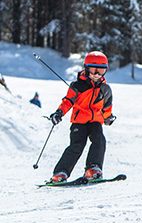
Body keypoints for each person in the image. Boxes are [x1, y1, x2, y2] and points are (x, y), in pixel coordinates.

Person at [48, 51, 116, 183]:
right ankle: (60, 172)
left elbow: (107, 107)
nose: (96, 74)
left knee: (99, 140)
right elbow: (68, 101)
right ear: (86, 68)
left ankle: (93, 169)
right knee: (77, 145)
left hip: (95, 121)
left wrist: (108, 118)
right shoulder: (78, 86)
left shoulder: (105, 89)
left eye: (100, 71)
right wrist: (59, 113)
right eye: (93, 70)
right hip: (79, 122)